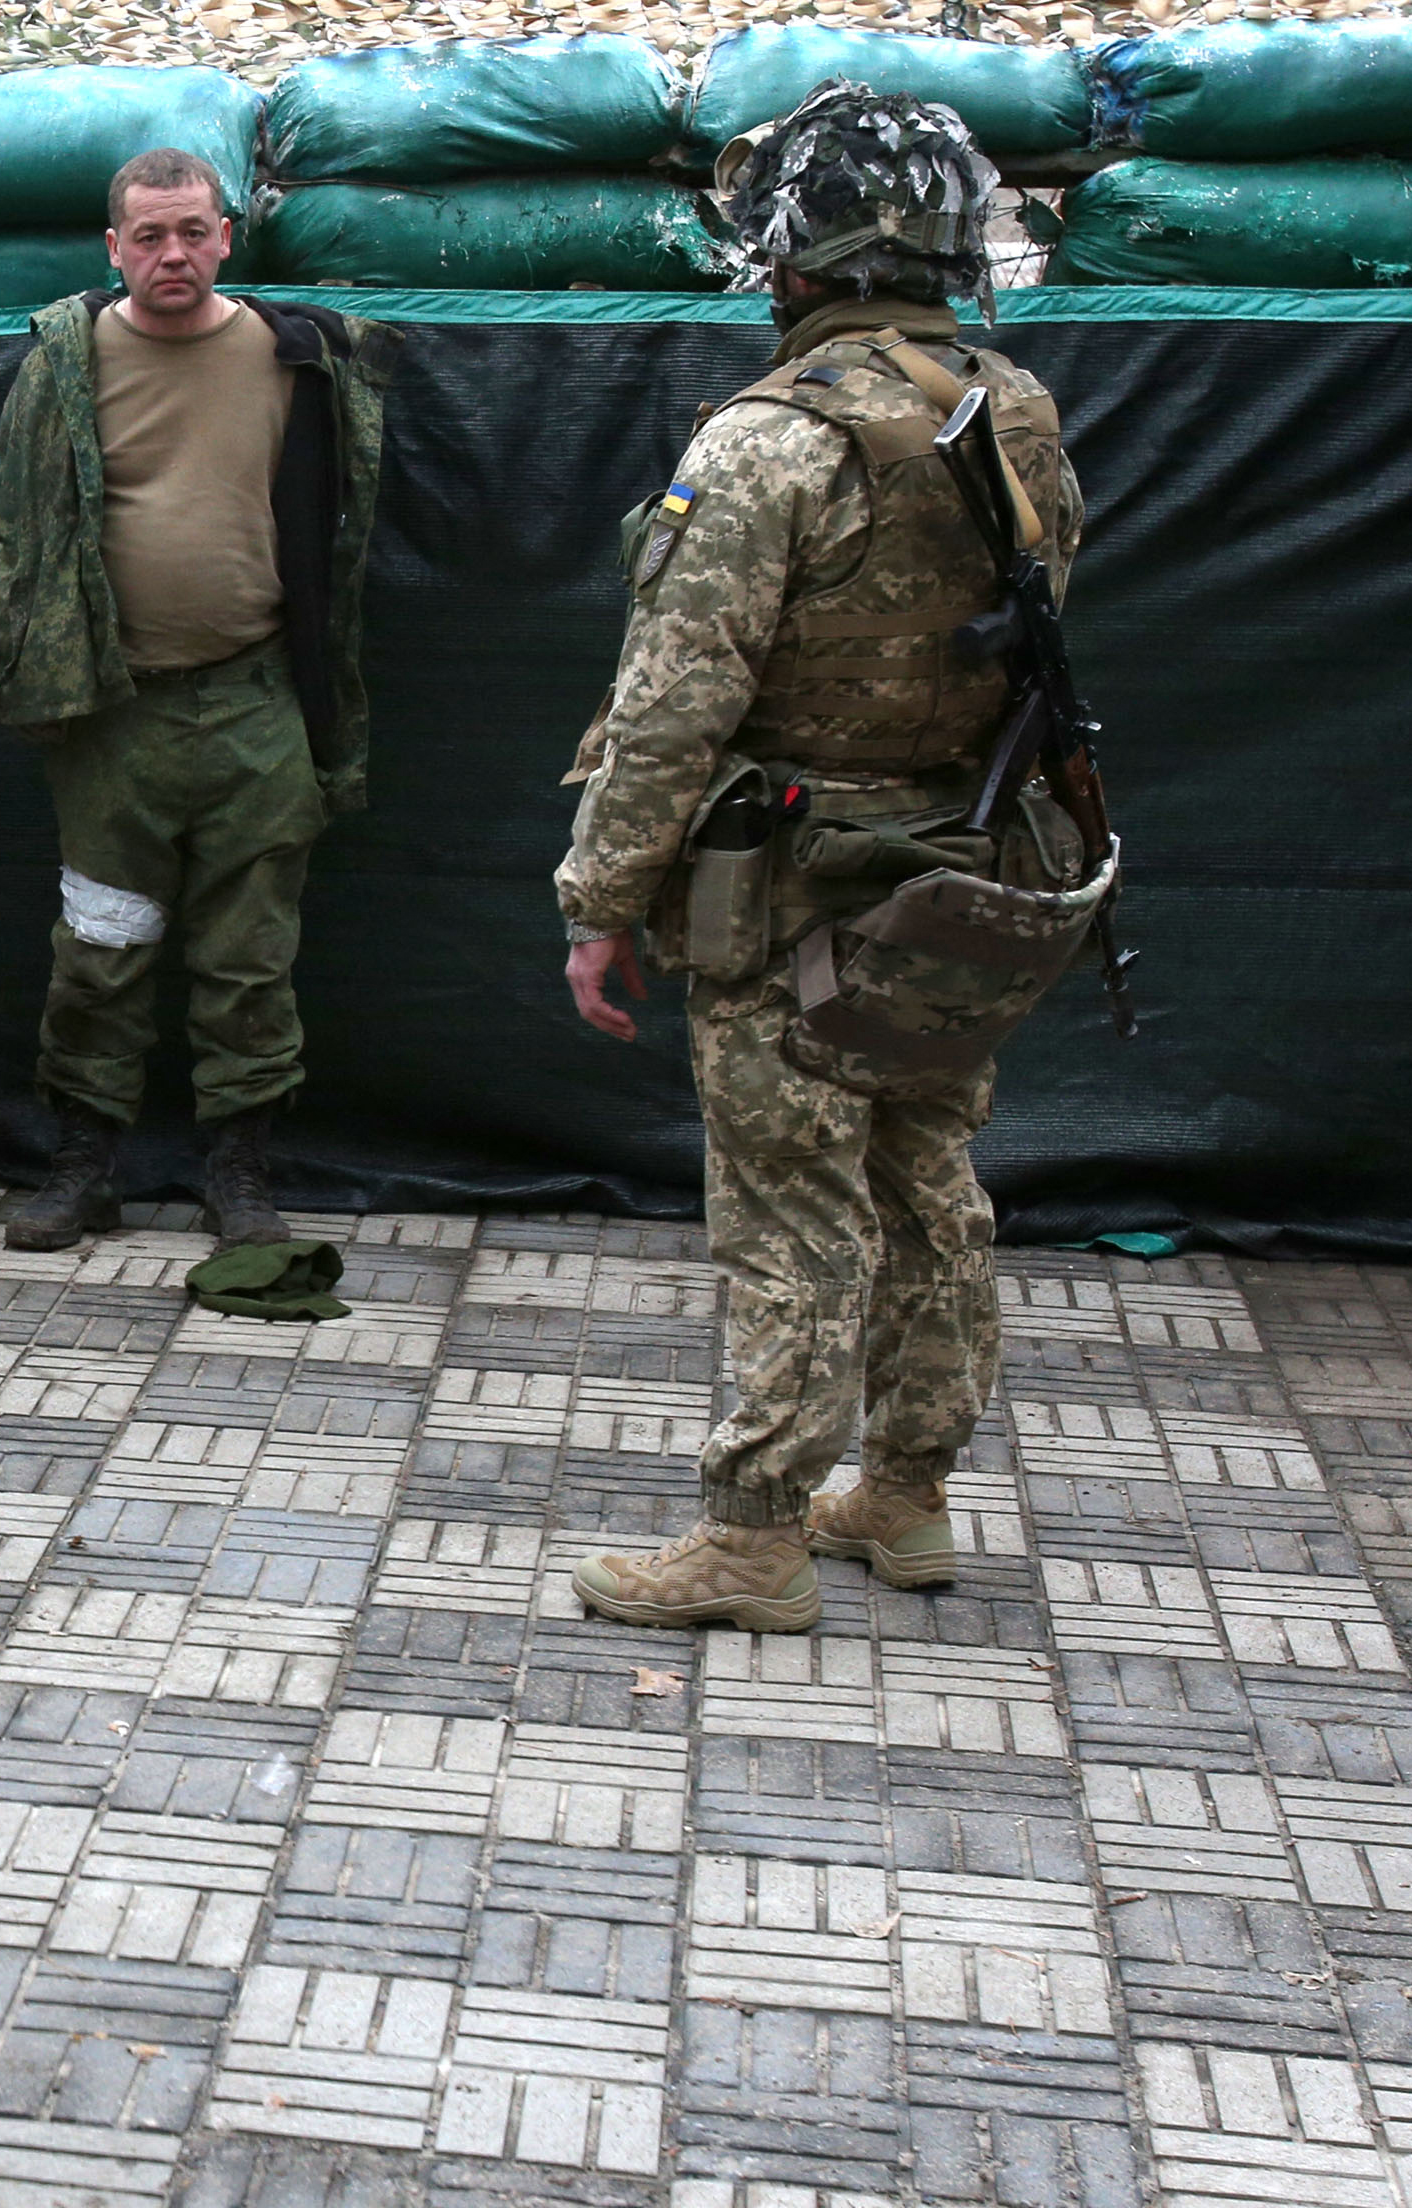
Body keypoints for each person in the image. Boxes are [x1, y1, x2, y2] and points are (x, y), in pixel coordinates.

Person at [555, 83, 1086, 1633]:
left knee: (791, 1212)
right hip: (963, 867)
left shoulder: (770, 440)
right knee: (928, 1178)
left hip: (797, 886)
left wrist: (597, 896)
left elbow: (672, 702)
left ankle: (754, 1536)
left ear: (792, 252)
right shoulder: (1016, 413)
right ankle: (906, 1493)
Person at [0, 148, 392, 1255]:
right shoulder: (64, 363)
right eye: (147, 236)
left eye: (191, 231)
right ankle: (82, 1166)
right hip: (114, 712)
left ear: (226, 237)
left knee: (248, 956)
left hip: (254, 702)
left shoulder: (296, 358)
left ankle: (237, 1177)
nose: (171, 255)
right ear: (113, 249)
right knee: (99, 948)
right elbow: (15, 529)